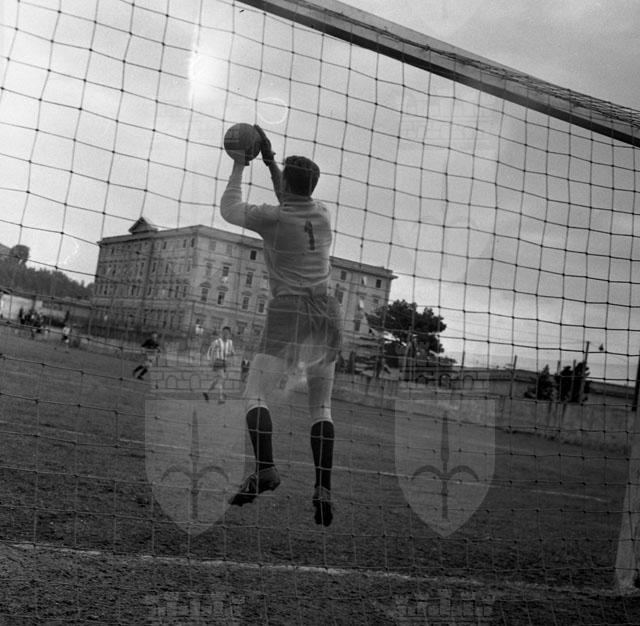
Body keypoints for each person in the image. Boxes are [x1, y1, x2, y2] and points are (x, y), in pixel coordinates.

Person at [219, 125, 342, 526]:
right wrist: (272, 162)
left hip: (289, 311)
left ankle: (266, 468)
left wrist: (241, 164)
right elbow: (290, 197)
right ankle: (323, 486)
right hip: (326, 313)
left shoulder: (274, 218)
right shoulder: (321, 213)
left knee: (255, 393)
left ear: (288, 186)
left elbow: (229, 209)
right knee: (321, 406)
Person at [204, 326, 235, 403]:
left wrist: (230, 354)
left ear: (229, 334)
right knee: (222, 377)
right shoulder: (217, 341)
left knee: (217, 380)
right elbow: (210, 350)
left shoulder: (230, 342)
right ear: (222, 333)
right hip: (218, 362)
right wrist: (209, 360)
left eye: (227, 333)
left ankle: (206, 392)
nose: (225, 334)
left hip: (225, 363)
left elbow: (233, 352)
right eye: (224, 333)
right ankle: (221, 398)